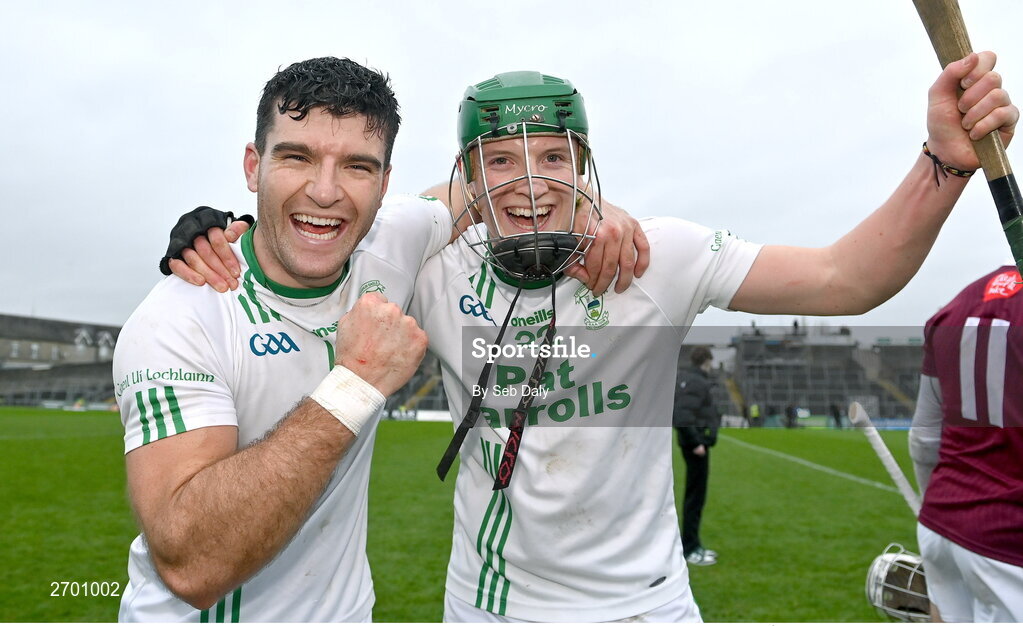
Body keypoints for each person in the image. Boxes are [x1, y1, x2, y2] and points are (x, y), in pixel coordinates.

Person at [173, 55, 1016, 622]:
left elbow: (846, 279)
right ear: (466, 175)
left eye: (553, 157)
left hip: (651, 602)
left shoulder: (663, 255)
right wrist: (212, 231)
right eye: (499, 160)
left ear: (586, 164)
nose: (530, 180)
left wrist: (941, 164)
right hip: (496, 603)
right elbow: (318, 226)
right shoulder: (431, 257)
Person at [116, 58, 646, 623]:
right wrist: (356, 382)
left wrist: (597, 206)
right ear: (254, 165)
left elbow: (506, 189)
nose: (325, 191)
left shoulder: (395, 238)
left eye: (357, 166)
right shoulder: (180, 317)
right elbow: (192, 565)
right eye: (297, 157)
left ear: (384, 183)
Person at [909, 265, 1023, 622]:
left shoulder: (957, 305)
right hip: (1008, 541)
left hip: (941, 524)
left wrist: (935, 508)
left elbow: (925, 438)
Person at [673, 346, 721, 566]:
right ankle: (690, 548)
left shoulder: (688, 378)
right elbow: (682, 414)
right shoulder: (695, 381)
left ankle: (691, 544)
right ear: (707, 361)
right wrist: (696, 442)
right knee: (695, 497)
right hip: (696, 445)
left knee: (694, 496)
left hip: (695, 442)